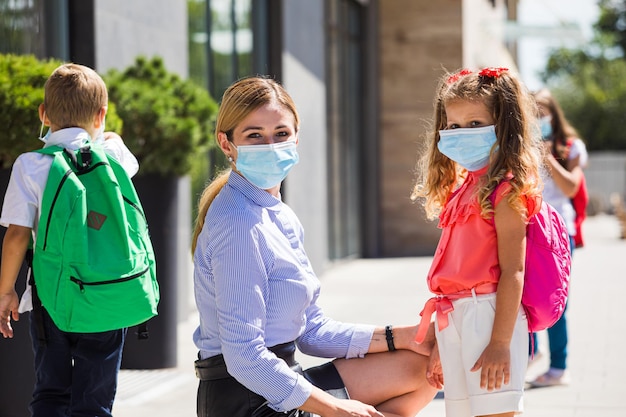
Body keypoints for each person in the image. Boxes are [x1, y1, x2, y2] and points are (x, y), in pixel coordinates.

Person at [191, 76, 439, 417]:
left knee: (422, 367)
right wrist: (337, 408)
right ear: (226, 143)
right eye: (254, 136)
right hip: (245, 401)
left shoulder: (278, 214)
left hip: (281, 382)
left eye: (281, 133)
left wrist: (405, 336)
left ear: (296, 138)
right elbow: (245, 357)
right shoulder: (238, 223)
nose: (270, 144)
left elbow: (311, 330)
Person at [0, 63, 139, 417]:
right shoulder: (114, 158)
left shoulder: (30, 165)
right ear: (101, 114)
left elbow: (16, 235)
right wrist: (110, 136)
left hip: (51, 297)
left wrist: (6, 291)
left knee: (51, 391)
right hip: (108, 294)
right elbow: (123, 155)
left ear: (43, 114)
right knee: (95, 399)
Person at [411, 67, 544, 417]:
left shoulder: (506, 189)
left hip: (490, 315)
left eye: (474, 124)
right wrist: (444, 341)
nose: (460, 133)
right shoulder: (466, 186)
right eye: (453, 126)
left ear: (503, 126)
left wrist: (499, 343)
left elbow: (514, 271)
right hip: (455, 314)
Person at [528, 88, 588, 387]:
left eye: (543, 112)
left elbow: (571, 188)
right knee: (523, 295)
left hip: (559, 232)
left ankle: (559, 368)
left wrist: (547, 157)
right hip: (529, 228)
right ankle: (530, 352)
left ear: (553, 114)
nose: (539, 119)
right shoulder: (521, 144)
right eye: (533, 113)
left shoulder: (572, 146)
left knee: (554, 300)